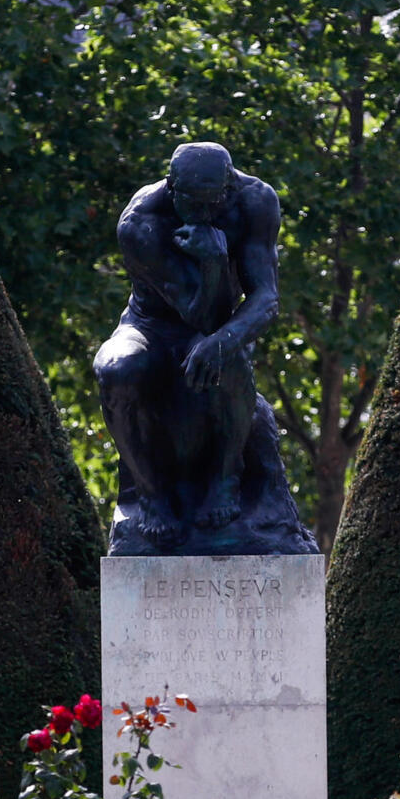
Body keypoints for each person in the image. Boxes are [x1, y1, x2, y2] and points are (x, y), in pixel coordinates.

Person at [94, 141, 281, 548]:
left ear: (229, 187)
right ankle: (150, 493)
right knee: (116, 370)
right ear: (171, 187)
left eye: (212, 202)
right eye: (192, 203)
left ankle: (225, 479)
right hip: (151, 328)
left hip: (218, 325)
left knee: (225, 357)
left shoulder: (256, 201)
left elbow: (266, 298)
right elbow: (197, 314)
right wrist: (213, 262)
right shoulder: (141, 222)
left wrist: (225, 339)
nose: (203, 214)